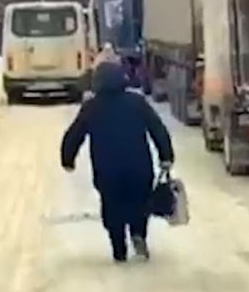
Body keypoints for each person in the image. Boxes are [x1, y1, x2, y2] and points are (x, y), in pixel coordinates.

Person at [61, 60, 174, 262]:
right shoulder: (137, 103)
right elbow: (157, 128)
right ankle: (138, 234)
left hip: (107, 171)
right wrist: (166, 156)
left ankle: (118, 246)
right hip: (139, 168)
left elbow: (74, 134)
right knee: (140, 203)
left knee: (112, 207)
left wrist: (68, 158)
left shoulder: (92, 107)